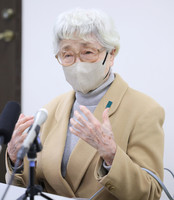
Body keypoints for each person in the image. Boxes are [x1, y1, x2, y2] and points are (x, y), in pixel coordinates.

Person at [6, 8, 165, 200]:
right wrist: (16, 160)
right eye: (67, 55)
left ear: (111, 54)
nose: (78, 64)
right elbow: (28, 188)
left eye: (87, 52)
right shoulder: (50, 109)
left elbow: (152, 194)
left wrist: (112, 156)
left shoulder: (145, 110)